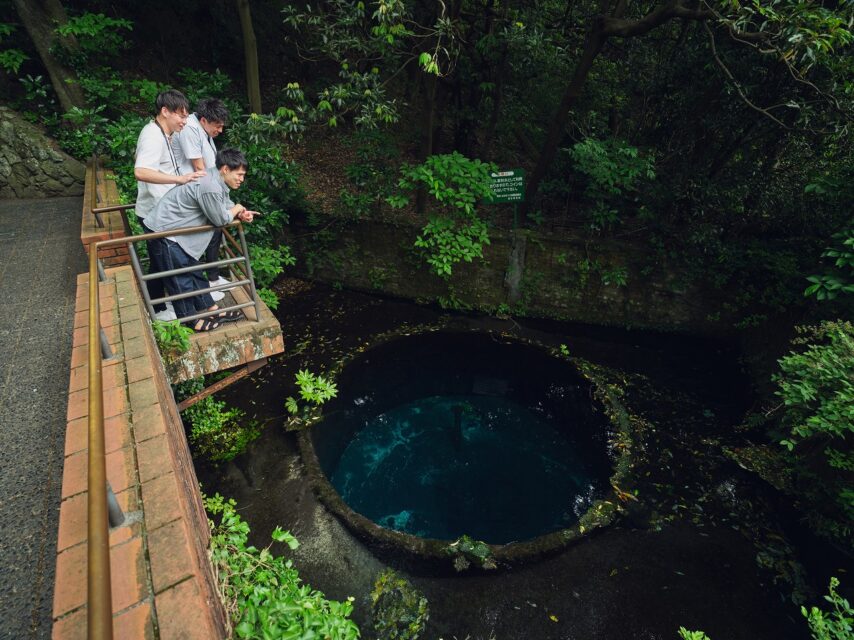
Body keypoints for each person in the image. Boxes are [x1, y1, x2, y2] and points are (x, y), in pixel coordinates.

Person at [144, 148, 257, 332]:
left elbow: (223, 205)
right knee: (180, 279)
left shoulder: (215, 177)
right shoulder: (210, 185)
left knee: (194, 272)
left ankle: (211, 309)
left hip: (177, 234)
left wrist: (240, 213)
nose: (241, 179)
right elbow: (220, 219)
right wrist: (237, 208)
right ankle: (191, 321)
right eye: (239, 174)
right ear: (226, 169)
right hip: (165, 233)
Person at [134, 89, 205, 320]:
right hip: (156, 213)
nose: (185, 121)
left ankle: (161, 307)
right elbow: (141, 171)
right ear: (165, 111)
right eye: (181, 116)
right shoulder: (152, 136)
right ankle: (162, 310)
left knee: (158, 261)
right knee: (165, 261)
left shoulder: (165, 135)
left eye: (186, 116)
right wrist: (179, 179)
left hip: (162, 212)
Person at [174, 98, 232, 300]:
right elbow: (199, 167)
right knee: (203, 236)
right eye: (218, 126)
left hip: (204, 190)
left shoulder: (203, 131)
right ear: (205, 120)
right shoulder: (190, 129)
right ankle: (205, 288)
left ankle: (213, 279)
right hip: (194, 194)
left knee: (215, 233)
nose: (220, 130)